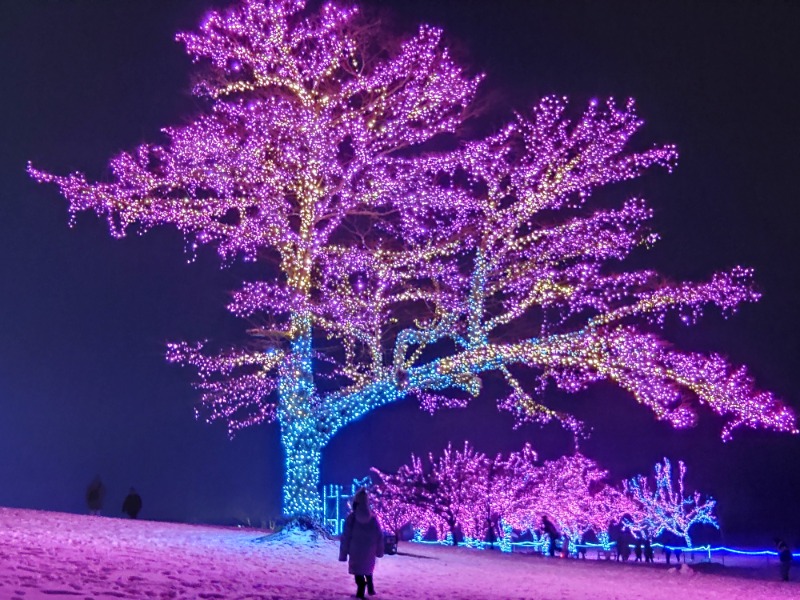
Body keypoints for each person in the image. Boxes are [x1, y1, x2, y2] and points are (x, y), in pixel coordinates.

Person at [339, 489, 384, 598]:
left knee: (358, 572)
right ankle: (369, 587)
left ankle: (361, 591)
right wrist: (379, 551)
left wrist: (343, 554)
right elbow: (379, 536)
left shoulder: (352, 518)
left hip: (355, 551)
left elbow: (346, 537)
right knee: (367, 569)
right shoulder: (373, 519)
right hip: (370, 551)